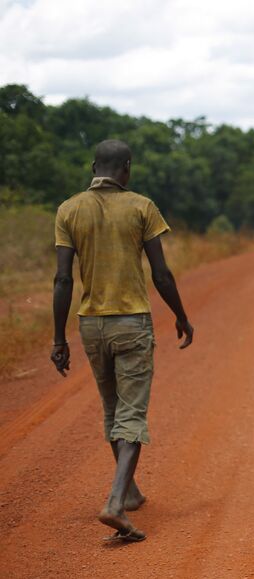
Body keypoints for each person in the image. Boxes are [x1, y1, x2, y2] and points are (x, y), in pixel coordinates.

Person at [50, 139, 194, 542]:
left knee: (112, 407)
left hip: (90, 325)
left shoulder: (68, 209)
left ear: (94, 166)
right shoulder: (141, 207)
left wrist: (58, 337)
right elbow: (161, 274)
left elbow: (63, 278)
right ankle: (115, 503)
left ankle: (129, 492)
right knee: (132, 413)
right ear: (126, 168)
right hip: (131, 322)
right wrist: (181, 316)